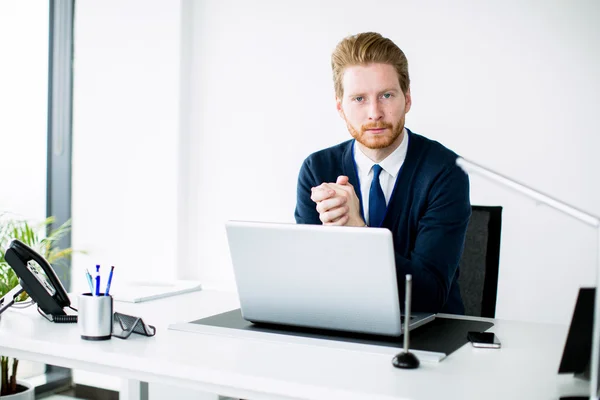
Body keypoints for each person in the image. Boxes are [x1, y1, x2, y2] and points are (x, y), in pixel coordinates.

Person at [294, 32, 471, 314]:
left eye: (386, 95)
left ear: (407, 99)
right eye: (359, 99)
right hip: (344, 327)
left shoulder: (446, 172)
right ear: (340, 107)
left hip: (426, 337)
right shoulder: (317, 170)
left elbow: (429, 295)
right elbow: (309, 284)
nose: (374, 112)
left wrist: (356, 231)